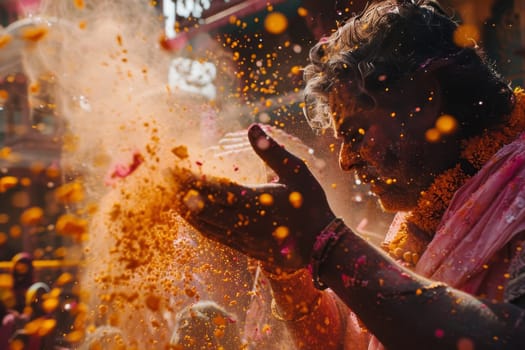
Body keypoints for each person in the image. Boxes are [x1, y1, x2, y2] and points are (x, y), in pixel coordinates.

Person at [171, 0, 525, 349]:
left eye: (356, 133)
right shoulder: (418, 217)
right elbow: (352, 340)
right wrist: (286, 266)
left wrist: (327, 244)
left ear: (424, 96)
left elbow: (511, 336)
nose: (345, 161)